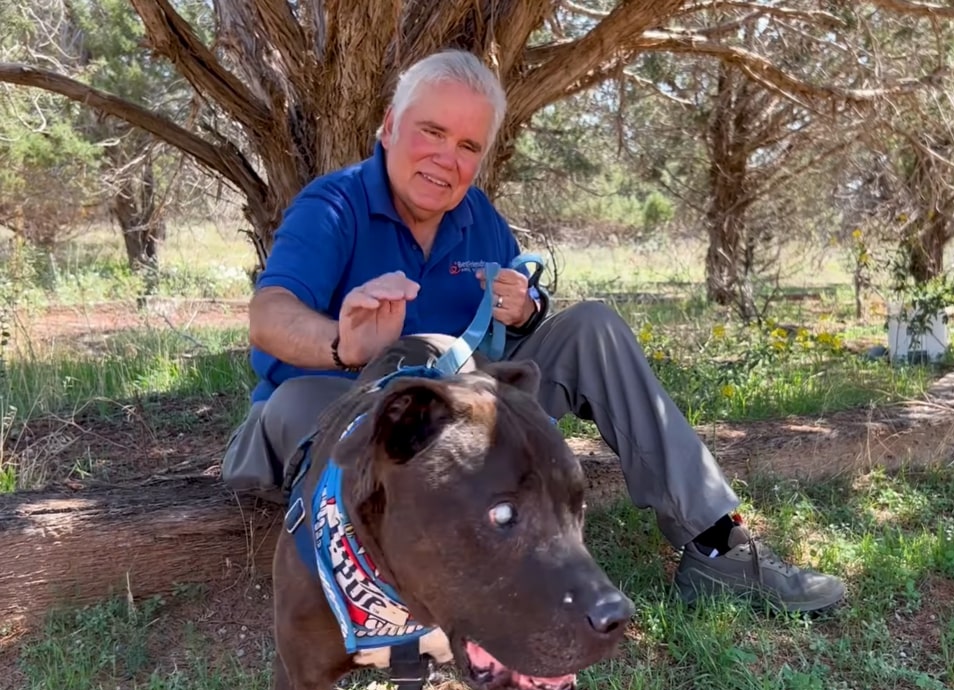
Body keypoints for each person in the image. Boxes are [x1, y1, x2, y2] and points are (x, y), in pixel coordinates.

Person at [220, 48, 846, 615]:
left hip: (460, 412)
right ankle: (394, 581)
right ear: (389, 127)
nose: (447, 158)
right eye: (431, 131)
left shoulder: (476, 216)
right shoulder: (333, 206)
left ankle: (715, 547)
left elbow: (524, 300)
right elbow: (269, 313)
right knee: (299, 401)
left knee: (593, 326)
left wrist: (526, 311)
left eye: (468, 145)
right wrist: (342, 343)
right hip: (344, 406)